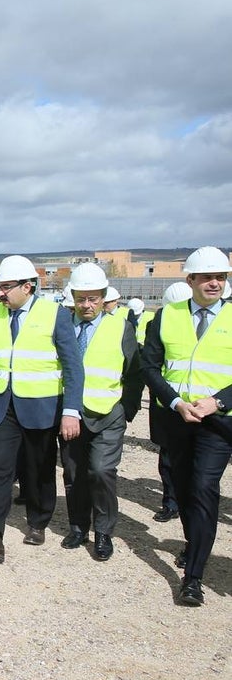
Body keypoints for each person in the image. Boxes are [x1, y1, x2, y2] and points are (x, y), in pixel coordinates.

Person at [0, 255, 84, 562]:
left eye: (6, 287)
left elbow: (73, 367)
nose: (0, 293)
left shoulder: (55, 314)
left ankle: (38, 520)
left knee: (39, 468)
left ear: (28, 286)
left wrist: (71, 410)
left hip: (41, 405)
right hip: (3, 405)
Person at [141, 246, 232, 606]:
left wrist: (217, 402)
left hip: (218, 424)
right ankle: (194, 542)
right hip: (177, 421)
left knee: (204, 489)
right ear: (190, 279)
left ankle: (192, 578)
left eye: (221, 277)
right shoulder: (167, 316)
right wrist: (177, 403)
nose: (215, 283)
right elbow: (149, 367)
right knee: (182, 489)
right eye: (208, 277)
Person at [58, 263, 143, 561]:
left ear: (104, 297)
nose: (87, 304)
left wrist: (126, 410)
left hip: (108, 415)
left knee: (101, 471)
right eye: (81, 298)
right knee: (74, 472)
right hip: (71, 414)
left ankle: (103, 531)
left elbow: (134, 372)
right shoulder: (63, 326)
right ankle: (78, 526)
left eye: (93, 298)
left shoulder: (121, 327)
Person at [148, 282, 193, 523]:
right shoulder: (159, 324)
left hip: (205, 407)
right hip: (168, 404)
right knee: (168, 459)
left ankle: (189, 505)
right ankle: (171, 502)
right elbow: (151, 366)